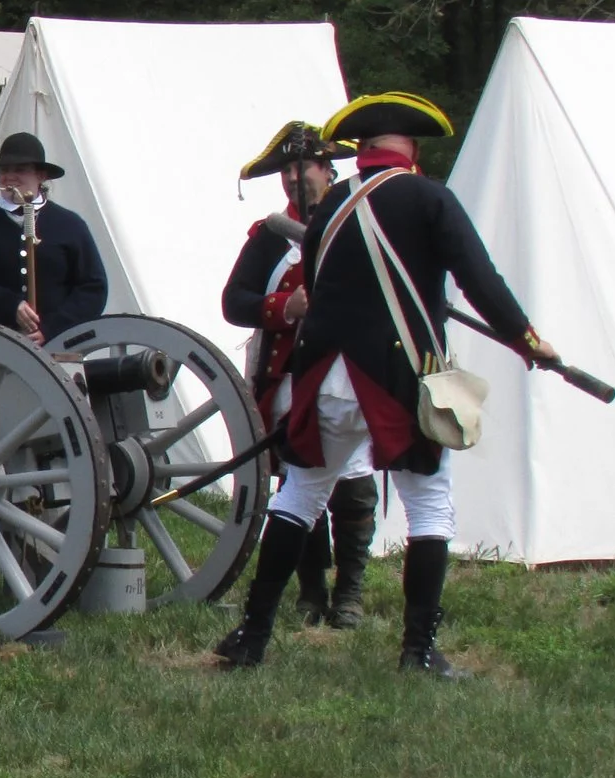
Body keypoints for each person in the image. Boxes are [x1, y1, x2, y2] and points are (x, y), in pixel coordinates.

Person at [214, 93, 559, 677]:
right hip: (394, 379)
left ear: (362, 152)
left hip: (324, 379)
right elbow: (480, 279)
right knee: (429, 504)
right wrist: (526, 340)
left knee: (298, 496)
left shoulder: (329, 211)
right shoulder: (429, 198)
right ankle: (418, 650)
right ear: (413, 151)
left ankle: (252, 635)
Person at [222, 120, 375, 629]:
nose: (294, 178)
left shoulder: (361, 223)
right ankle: (312, 590)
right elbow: (235, 301)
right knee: (301, 483)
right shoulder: (269, 239)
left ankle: (349, 594)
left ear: (326, 169)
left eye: (302, 166)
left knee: (352, 488)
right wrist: (288, 306)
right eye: (286, 169)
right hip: (292, 378)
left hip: (349, 373)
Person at [0, 131, 108, 342]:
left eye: (20, 169)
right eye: (5, 170)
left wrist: (51, 328)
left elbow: (93, 289)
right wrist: (8, 304)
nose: (10, 176)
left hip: (59, 348)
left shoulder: (70, 225)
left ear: (41, 176)